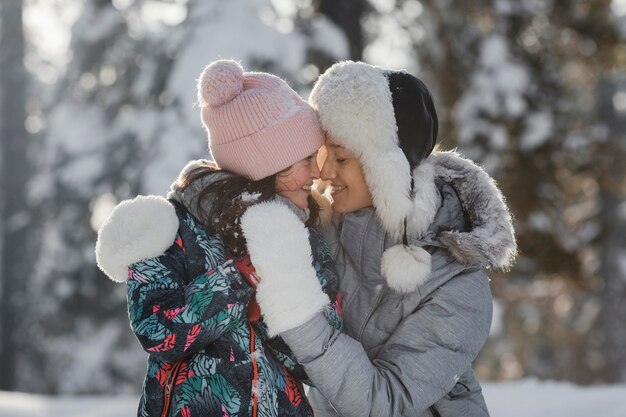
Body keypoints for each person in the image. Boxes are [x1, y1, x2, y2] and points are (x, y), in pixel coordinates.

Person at [239, 61, 517, 416]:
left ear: (387, 168)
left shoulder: (458, 282)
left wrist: (297, 312)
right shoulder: (326, 231)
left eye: (341, 157)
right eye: (322, 154)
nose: (324, 171)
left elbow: (386, 401)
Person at [95, 60, 341, 417]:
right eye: (306, 159)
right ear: (269, 162)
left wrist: (280, 303)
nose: (317, 172)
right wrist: (237, 280)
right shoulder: (169, 227)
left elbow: (320, 359)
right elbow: (156, 331)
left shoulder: (305, 234)